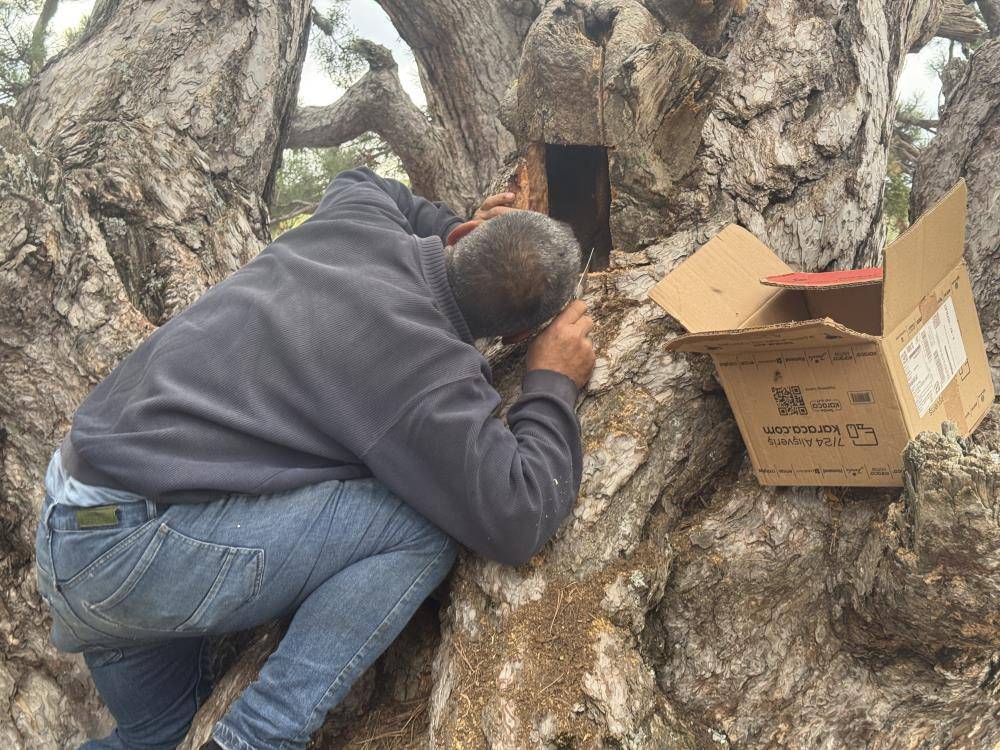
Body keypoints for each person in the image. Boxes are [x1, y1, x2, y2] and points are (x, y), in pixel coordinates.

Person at [34, 168, 594, 750]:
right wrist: (552, 381)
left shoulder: (356, 220)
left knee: (156, 738)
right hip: (130, 555)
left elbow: (362, 178)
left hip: (67, 516)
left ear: (461, 237)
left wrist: (456, 222)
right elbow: (517, 512)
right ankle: (256, 738)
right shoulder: (431, 377)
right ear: (520, 334)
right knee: (419, 527)